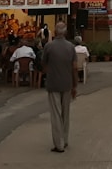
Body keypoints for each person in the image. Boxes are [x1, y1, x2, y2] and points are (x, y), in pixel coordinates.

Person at [41, 22, 78, 153]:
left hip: (53, 83)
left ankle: (59, 144)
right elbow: (74, 68)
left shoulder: (48, 46)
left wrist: (50, 73)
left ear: (55, 32)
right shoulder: (71, 47)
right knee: (65, 113)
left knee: (56, 114)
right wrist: (75, 85)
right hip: (67, 84)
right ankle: (65, 139)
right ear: (66, 32)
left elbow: (44, 65)